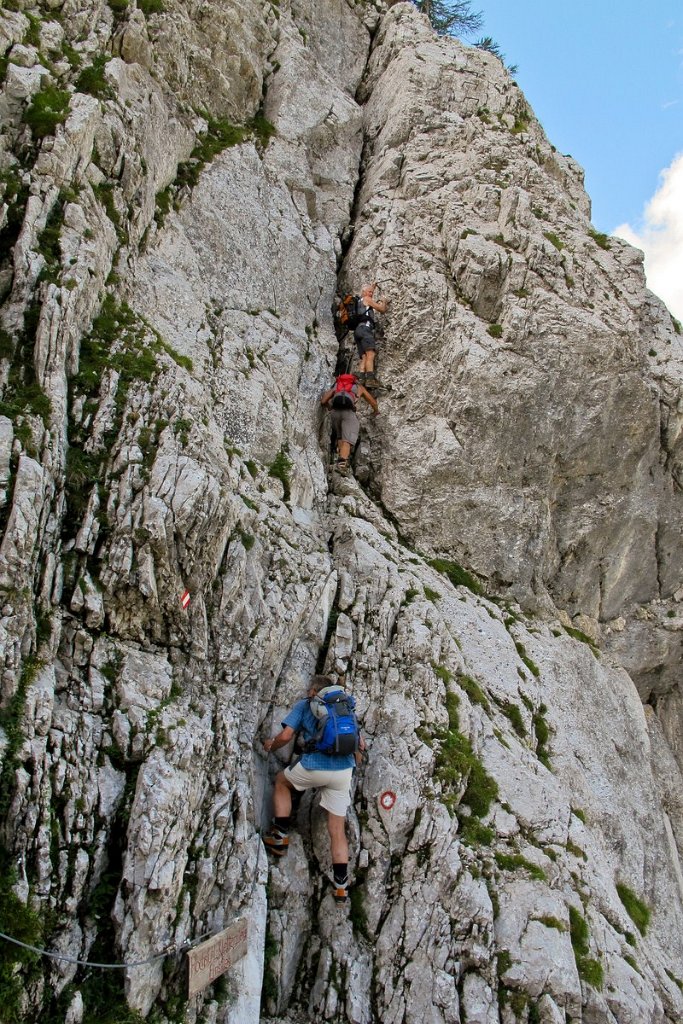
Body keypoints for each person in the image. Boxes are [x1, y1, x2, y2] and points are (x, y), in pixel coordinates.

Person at [262, 676, 363, 903]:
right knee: (336, 828)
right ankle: (341, 886)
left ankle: (279, 833)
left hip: (313, 765)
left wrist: (271, 745)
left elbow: (287, 736)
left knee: (281, 781)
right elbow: (359, 744)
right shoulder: (345, 708)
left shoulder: (306, 705)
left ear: (313, 691)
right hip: (343, 772)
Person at [320, 373, 379, 475]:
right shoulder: (359, 387)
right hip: (348, 413)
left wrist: (329, 407)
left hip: (335, 413)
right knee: (348, 439)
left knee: (340, 436)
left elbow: (323, 400)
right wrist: (376, 411)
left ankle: (338, 457)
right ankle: (342, 465)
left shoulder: (337, 386)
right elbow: (372, 401)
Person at [353, 282, 388, 386]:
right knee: (370, 354)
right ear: (364, 292)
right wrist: (384, 301)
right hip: (366, 329)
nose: (371, 294)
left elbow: (367, 291)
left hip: (357, 330)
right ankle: (370, 379)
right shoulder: (367, 299)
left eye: (372, 292)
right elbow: (382, 309)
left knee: (364, 356)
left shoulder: (359, 301)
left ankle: (361, 378)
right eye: (369, 292)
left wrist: (372, 287)